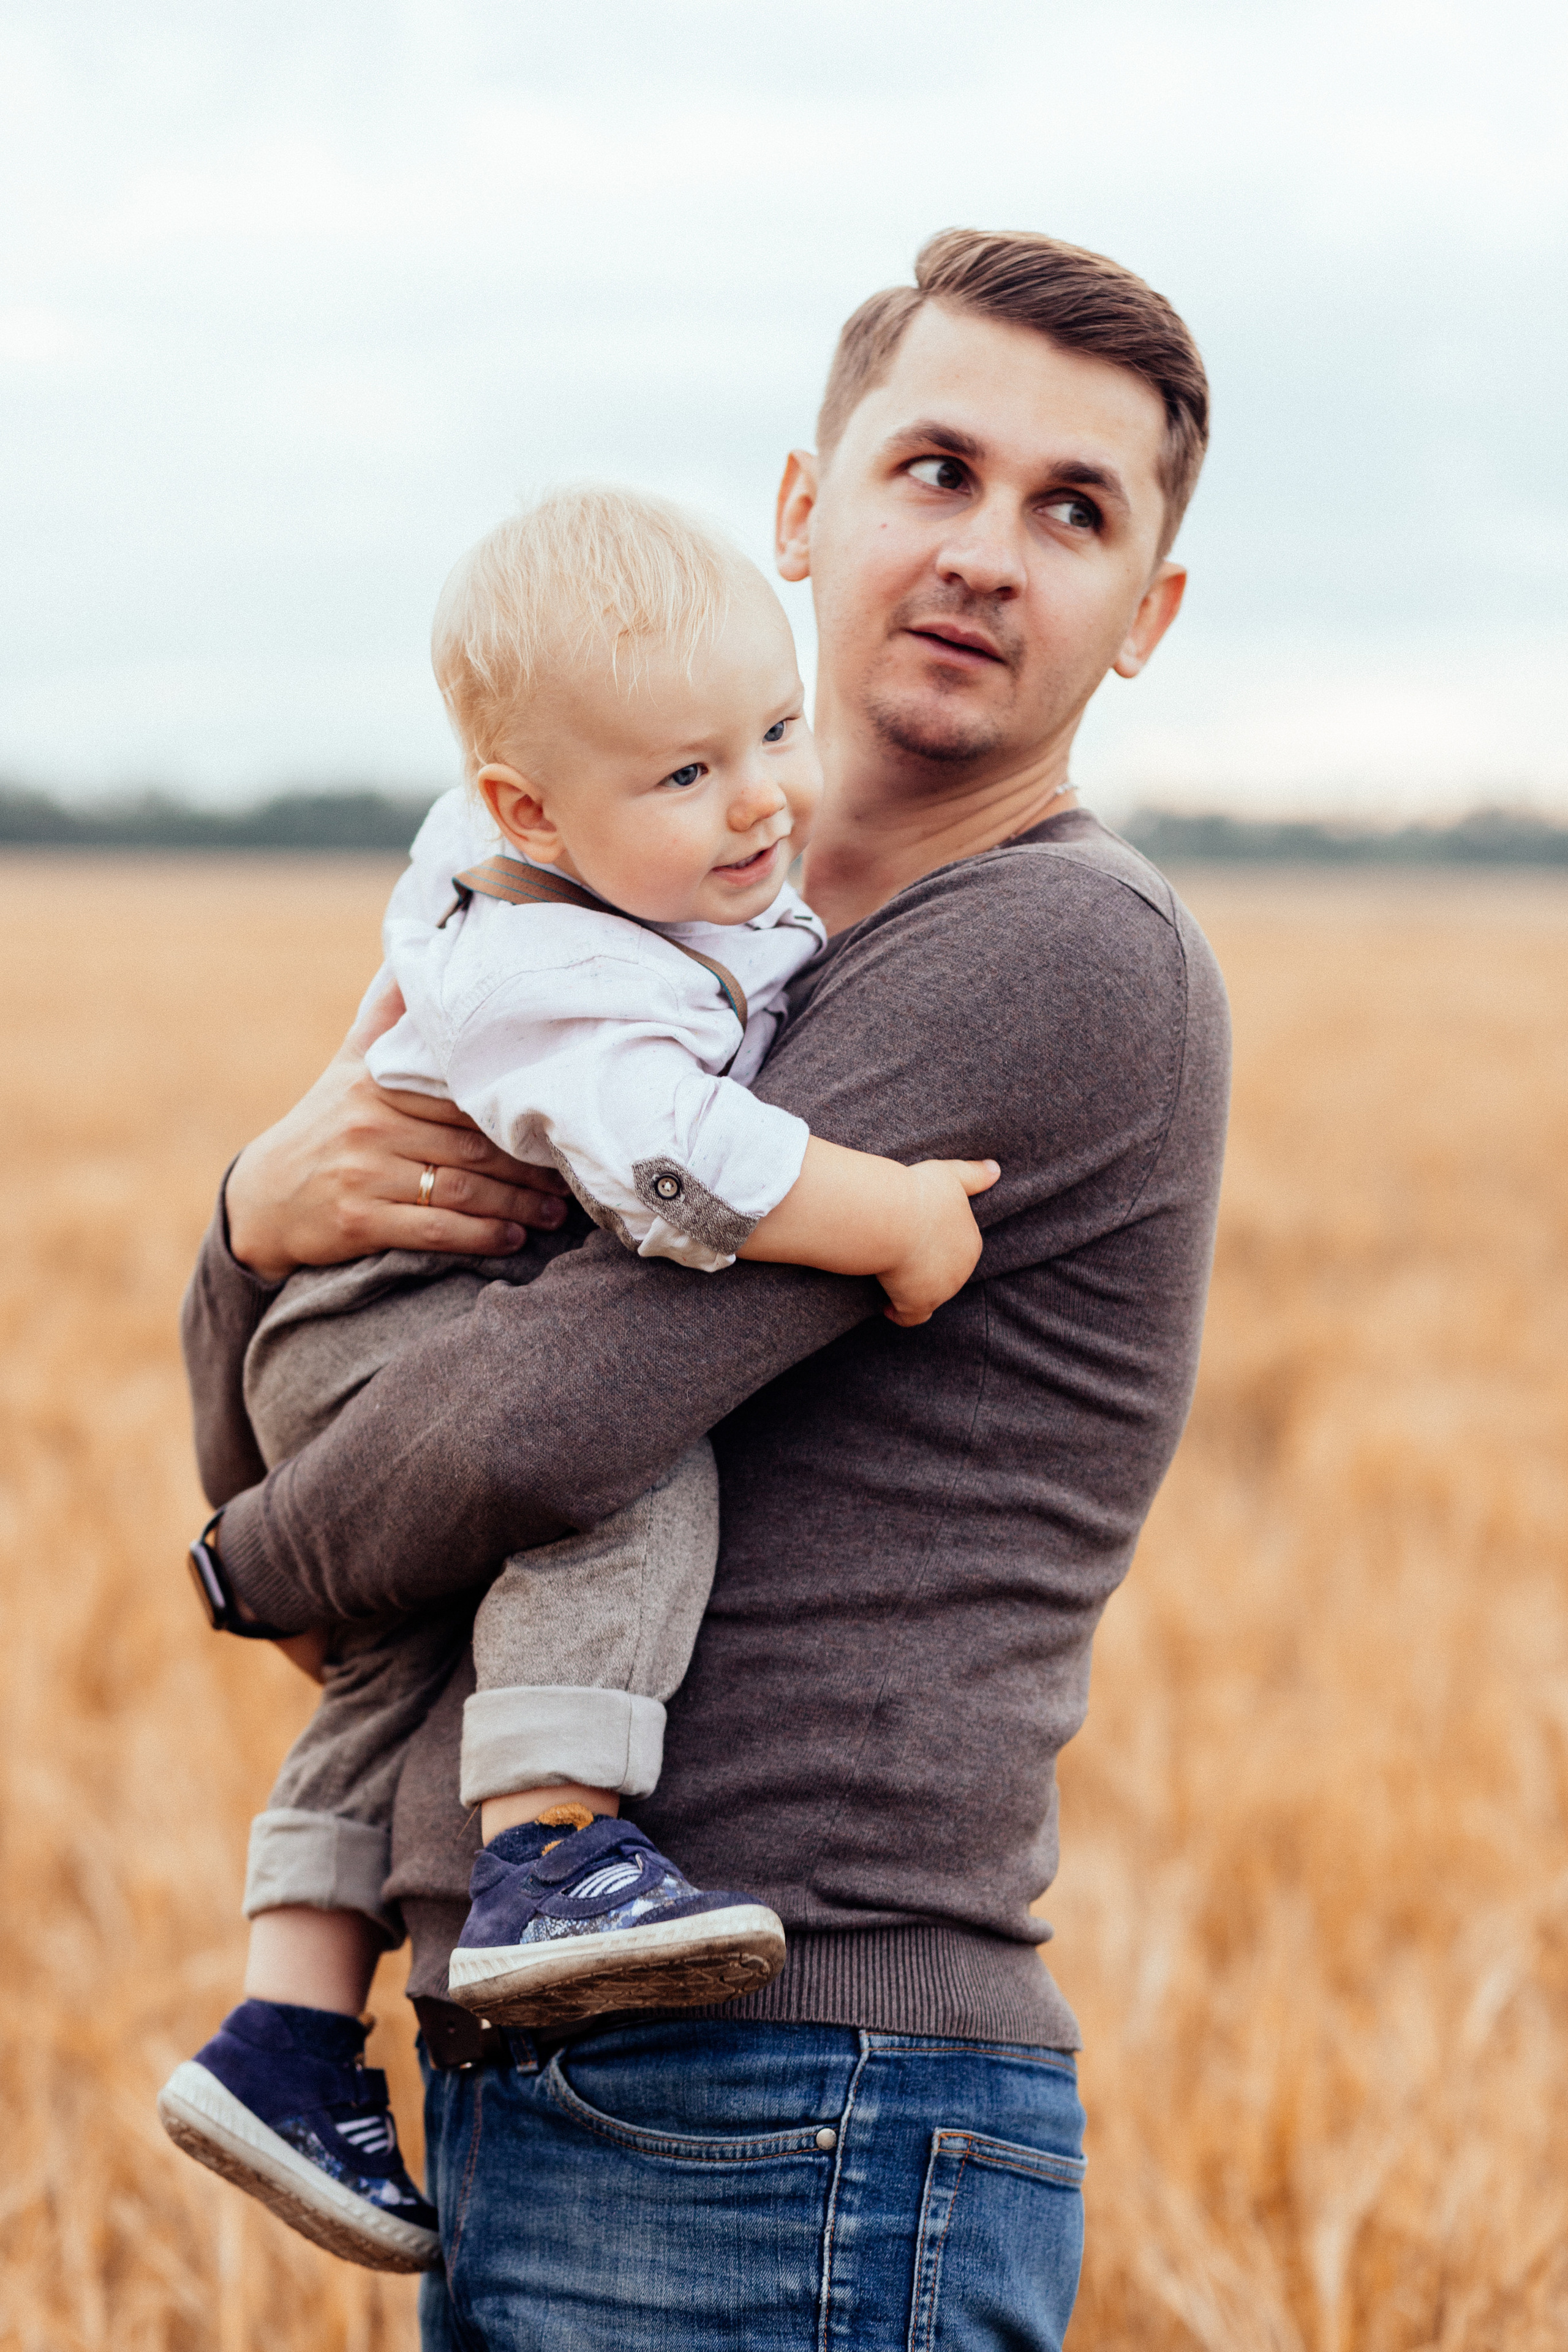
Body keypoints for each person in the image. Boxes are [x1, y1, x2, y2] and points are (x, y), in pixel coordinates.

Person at [178, 227, 1230, 2350]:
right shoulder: (631, 958)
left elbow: (544, 1418)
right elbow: (372, 1360)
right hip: (562, 2058)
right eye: (937, 468)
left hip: (804, 2082)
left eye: (1074, 511)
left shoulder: (1051, 951)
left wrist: (252, 1567)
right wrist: (254, 1226)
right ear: (800, 513)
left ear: (1148, 618)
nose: (989, 554)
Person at [158, 486, 998, 2272]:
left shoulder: (546, 865)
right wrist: (899, 1215)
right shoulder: (565, 970)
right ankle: (554, 1855)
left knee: (410, 1660)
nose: (761, 795)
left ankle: (286, 2031)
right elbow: (684, 1170)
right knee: (627, 1475)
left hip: (356, 1319)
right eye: (688, 775)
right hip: (404, 1315)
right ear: (531, 811)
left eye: (772, 734)